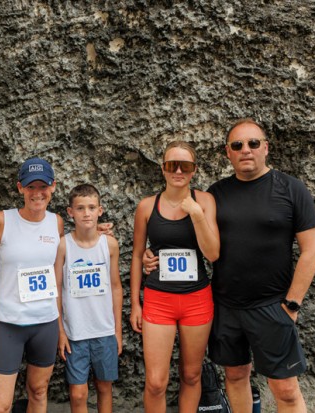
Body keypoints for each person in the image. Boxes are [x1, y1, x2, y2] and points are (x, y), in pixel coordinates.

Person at [145, 119, 315, 413]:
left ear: (266, 147)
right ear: (228, 152)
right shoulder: (216, 193)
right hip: (226, 305)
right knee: (236, 377)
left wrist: (292, 304)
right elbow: (188, 237)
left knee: (286, 391)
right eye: (237, 145)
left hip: (272, 305)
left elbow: (312, 250)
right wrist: (150, 254)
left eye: (253, 143)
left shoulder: (291, 188)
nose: (246, 150)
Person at [130, 141, 220, 413]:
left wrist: (196, 215)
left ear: (194, 170)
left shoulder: (204, 201)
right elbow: (137, 255)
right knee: (156, 382)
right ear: (163, 169)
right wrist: (135, 304)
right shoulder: (147, 206)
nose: (178, 171)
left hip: (197, 299)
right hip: (158, 299)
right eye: (172, 165)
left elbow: (213, 253)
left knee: (191, 375)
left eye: (185, 166)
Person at [0, 157, 64, 413]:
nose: (37, 193)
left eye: (43, 187)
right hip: (9, 322)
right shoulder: (2, 220)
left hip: (45, 322)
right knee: (0, 404)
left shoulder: (56, 222)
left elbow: (65, 257)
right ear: (20, 188)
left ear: (53, 187)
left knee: (38, 391)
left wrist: (98, 231)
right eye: (31, 187)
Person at [54, 184, 123, 413]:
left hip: (104, 330)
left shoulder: (109, 244)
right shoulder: (63, 245)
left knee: (104, 387)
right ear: (70, 212)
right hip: (75, 332)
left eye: (92, 208)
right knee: (78, 393)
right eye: (80, 208)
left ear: (100, 211)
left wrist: (117, 330)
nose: (86, 213)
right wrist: (60, 330)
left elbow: (116, 287)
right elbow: (56, 288)